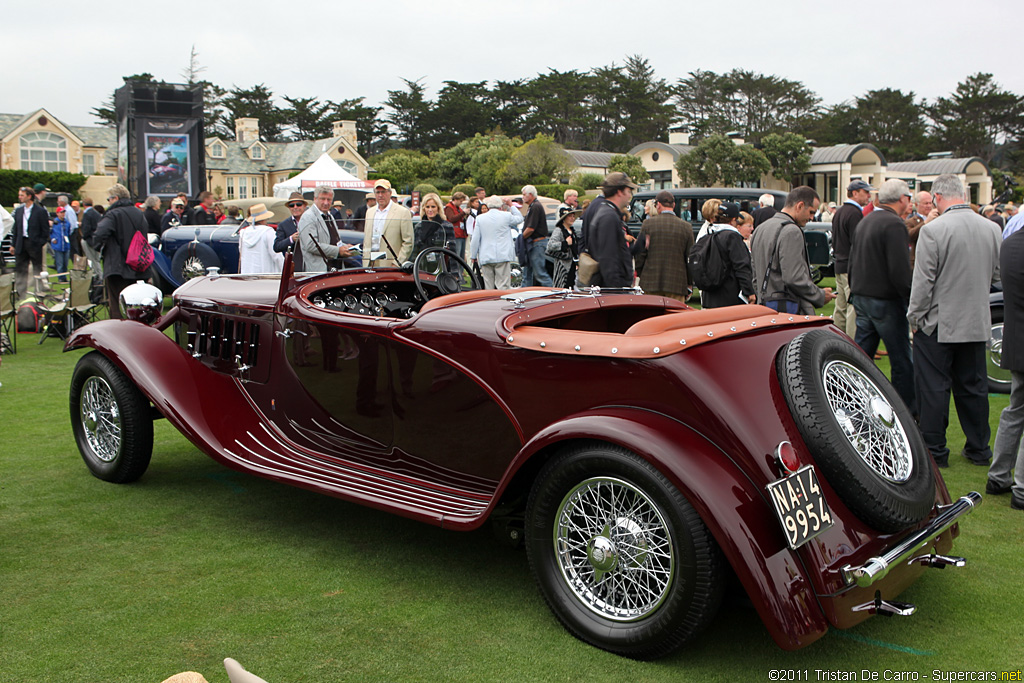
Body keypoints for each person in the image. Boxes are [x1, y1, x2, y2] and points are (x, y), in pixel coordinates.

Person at [908, 174, 1002, 468]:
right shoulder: (991, 228)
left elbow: (923, 283)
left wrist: (914, 318)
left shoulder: (933, 230)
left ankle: (935, 450)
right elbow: (998, 277)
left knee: (934, 387)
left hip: (938, 323)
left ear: (937, 197)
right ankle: (979, 448)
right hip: (975, 321)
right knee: (974, 388)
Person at [849, 179, 915, 410]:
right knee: (902, 360)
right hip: (884, 300)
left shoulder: (867, 220)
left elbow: (853, 260)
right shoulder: (894, 224)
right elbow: (899, 270)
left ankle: (852, 401)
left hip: (862, 296)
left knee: (860, 359)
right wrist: (910, 299)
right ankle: (904, 410)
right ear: (902, 199)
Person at [751, 186, 835, 314]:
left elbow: (756, 276)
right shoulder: (791, 231)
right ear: (800, 206)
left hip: (765, 307)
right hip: (789, 310)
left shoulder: (761, 228)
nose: (812, 217)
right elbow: (794, 277)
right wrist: (820, 295)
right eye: (811, 212)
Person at [987, 227, 1024, 509]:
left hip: (1016, 339)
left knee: (1015, 409)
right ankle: (1021, 489)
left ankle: (998, 476)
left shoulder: (1010, 242)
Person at [90, 184, 153, 317]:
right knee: (137, 303)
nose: (108, 202)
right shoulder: (139, 213)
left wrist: (98, 247)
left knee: (118, 303)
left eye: (109, 199)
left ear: (115, 198)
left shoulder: (113, 214)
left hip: (117, 266)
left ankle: (119, 332)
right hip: (139, 263)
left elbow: (99, 234)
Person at [579, 172, 637, 288]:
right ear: (619, 192)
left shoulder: (606, 212)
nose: (630, 196)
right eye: (628, 191)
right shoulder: (609, 216)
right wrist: (616, 291)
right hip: (611, 288)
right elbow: (608, 258)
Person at [633, 190, 693, 302]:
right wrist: (689, 282)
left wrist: (641, 272)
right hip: (676, 283)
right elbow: (689, 258)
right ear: (674, 205)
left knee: (652, 317)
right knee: (673, 318)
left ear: (658, 205)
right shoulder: (686, 227)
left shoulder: (648, 224)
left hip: (650, 281)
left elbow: (640, 253)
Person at [832, 179, 873, 339]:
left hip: (840, 264)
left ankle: (838, 339)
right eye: (865, 192)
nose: (868, 195)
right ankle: (851, 344)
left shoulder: (840, 211)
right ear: (855, 193)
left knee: (841, 306)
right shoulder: (855, 213)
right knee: (852, 308)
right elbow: (858, 243)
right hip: (851, 266)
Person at [699, 203, 755, 308]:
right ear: (733, 220)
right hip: (729, 296)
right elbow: (741, 265)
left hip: (709, 295)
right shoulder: (732, 237)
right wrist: (749, 291)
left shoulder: (708, 234)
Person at [471, 195, 523, 289]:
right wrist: (511, 205)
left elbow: (475, 238)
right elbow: (519, 218)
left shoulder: (480, 218)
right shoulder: (506, 216)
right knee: (503, 285)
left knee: (488, 285)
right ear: (501, 206)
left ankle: (490, 302)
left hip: (486, 255)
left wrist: (473, 256)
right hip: (502, 255)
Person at [300, 186, 354, 272]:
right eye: (322, 199)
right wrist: (338, 250)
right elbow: (310, 245)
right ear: (315, 199)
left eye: (329, 199)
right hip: (319, 271)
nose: (326, 202)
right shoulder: (308, 217)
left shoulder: (330, 216)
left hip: (335, 268)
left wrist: (346, 247)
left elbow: (335, 240)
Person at [362, 179, 413, 267]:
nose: (380, 195)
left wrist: (397, 263)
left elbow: (408, 242)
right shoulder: (369, 212)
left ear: (390, 193)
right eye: (378, 192)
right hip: (370, 262)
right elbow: (366, 240)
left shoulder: (402, 212)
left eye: (383, 192)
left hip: (389, 264)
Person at [11, 186, 50, 295]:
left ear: (29, 196)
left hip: (34, 243)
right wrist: (13, 244)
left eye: (22, 195)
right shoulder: (19, 211)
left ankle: (38, 291)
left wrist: (40, 242)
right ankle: (20, 292)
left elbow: (45, 230)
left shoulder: (40, 211)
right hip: (21, 242)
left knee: (37, 268)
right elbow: (16, 229)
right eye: (19, 195)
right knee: (20, 268)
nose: (19, 197)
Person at [520, 185, 552, 287]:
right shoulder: (532, 206)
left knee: (540, 274)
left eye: (524, 195)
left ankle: (554, 293)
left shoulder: (536, 206)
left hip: (537, 243)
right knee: (527, 274)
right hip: (533, 244)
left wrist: (521, 239)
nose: (522, 197)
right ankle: (525, 295)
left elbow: (530, 228)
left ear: (530, 195)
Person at [238, 203, 284, 274]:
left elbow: (241, 253)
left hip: (247, 274)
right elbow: (276, 255)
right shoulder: (268, 232)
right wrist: (285, 270)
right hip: (266, 275)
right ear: (263, 219)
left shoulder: (243, 233)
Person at [547, 207, 581, 289]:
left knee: (571, 286)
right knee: (561, 288)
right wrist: (565, 243)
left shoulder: (572, 231)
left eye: (573, 216)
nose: (572, 218)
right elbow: (550, 245)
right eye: (570, 216)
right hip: (562, 266)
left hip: (572, 265)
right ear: (564, 218)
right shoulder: (559, 230)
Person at [273, 192, 307, 270]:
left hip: (312, 265)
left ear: (304, 206)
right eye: (292, 205)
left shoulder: (312, 221)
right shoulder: (283, 225)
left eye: (298, 204)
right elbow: (276, 247)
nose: (295, 207)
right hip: (294, 268)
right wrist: (291, 239)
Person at [415, 193, 455, 257]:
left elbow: (452, 251)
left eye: (433, 207)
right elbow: (416, 250)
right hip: (422, 264)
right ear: (424, 208)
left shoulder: (446, 226)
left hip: (441, 263)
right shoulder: (419, 227)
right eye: (427, 207)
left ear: (438, 208)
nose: (430, 210)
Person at [444, 191, 469, 260]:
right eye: (460, 201)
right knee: (456, 255)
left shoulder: (458, 208)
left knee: (461, 255)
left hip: (461, 233)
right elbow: (452, 218)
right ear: (455, 200)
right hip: (455, 234)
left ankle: (461, 270)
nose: (461, 203)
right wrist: (463, 213)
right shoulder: (449, 207)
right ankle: (456, 270)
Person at [50, 206, 72, 282]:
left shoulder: (67, 223)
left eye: (63, 212)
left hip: (66, 245)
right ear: (57, 213)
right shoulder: (54, 223)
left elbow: (68, 232)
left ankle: (64, 277)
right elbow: (50, 233)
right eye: (61, 212)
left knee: (65, 263)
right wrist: (53, 239)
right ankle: (60, 278)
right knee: (60, 263)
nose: (63, 214)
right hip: (58, 245)